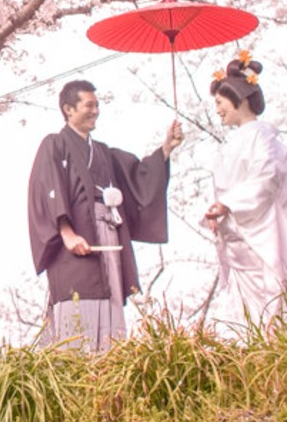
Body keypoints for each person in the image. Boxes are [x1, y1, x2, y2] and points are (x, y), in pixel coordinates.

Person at [27, 79, 183, 351]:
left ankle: (108, 363)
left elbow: (139, 176)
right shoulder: (55, 145)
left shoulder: (103, 152)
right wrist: (67, 233)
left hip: (108, 235)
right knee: (79, 300)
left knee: (110, 301)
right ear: (68, 109)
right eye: (89, 105)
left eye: (97, 105)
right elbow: (48, 189)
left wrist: (166, 148)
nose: (95, 111)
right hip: (75, 240)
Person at [204, 53, 287, 321]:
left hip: (258, 232)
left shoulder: (261, 136)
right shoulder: (233, 144)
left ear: (240, 98)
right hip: (235, 234)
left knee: (269, 301)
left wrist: (229, 204)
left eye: (220, 102)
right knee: (242, 310)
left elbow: (266, 178)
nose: (217, 110)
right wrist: (217, 210)